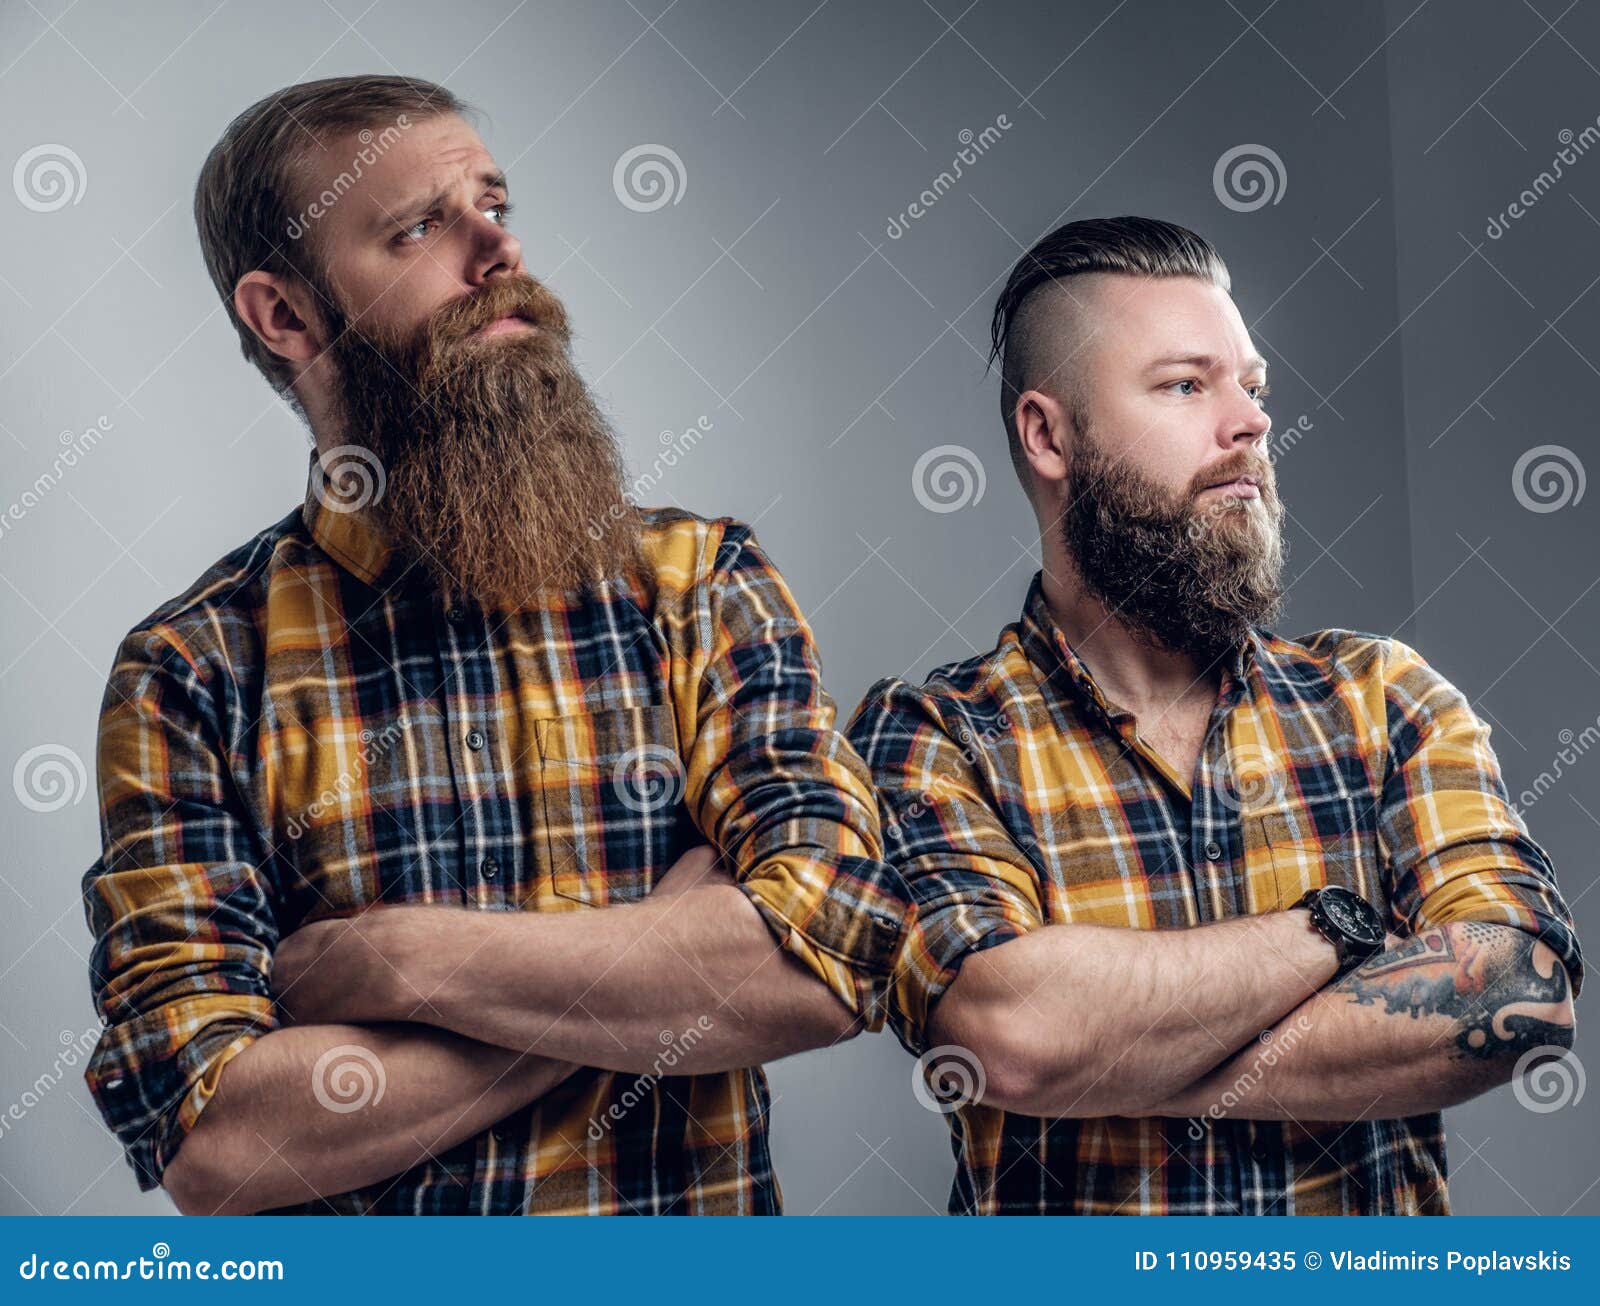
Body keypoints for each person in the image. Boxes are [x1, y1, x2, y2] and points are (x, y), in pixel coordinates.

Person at [81, 74, 908, 1215]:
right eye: (418, 227)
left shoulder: (700, 586)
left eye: (494, 203)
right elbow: (217, 1139)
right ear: (285, 316)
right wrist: (658, 954)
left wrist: (405, 964)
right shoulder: (193, 672)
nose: (498, 251)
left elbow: (835, 959)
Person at [846, 215, 1582, 1215]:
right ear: (1047, 433)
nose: (1249, 424)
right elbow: (1010, 1035)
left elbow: (1517, 989)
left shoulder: (1381, 699)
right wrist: (1337, 930)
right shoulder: (932, 737)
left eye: (1253, 387)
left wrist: (1116, 1057)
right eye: (1186, 385)